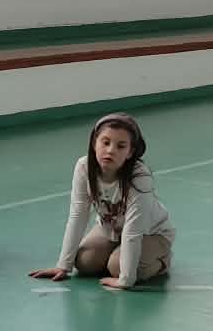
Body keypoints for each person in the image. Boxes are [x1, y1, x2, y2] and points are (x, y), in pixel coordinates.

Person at [30, 113, 173, 291]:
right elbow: (78, 215)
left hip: (150, 233)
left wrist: (126, 279)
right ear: (94, 143)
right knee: (84, 262)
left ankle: (162, 260)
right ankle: (121, 254)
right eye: (105, 142)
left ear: (130, 152)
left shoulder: (139, 176)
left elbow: (133, 230)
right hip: (111, 230)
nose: (111, 150)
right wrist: (63, 266)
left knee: (117, 267)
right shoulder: (84, 167)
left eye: (121, 146)